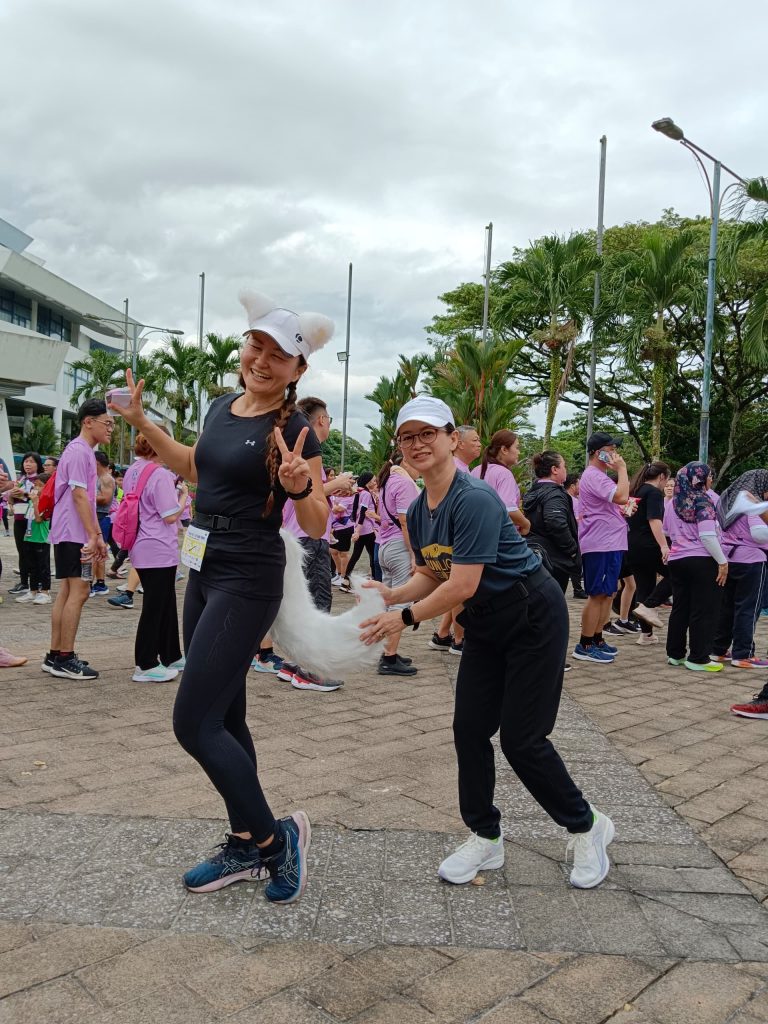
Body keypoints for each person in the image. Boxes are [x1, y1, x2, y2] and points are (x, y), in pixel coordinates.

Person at [109, 288, 333, 903]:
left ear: (298, 368)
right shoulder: (218, 406)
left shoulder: (293, 429)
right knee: (226, 717)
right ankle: (245, 838)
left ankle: (275, 836)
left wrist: (295, 488)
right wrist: (142, 424)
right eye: (255, 345)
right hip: (201, 564)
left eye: (277, 354)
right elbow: (196, 470)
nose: (261, 360)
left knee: (193, 721)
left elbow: (316, 523)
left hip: (247, 572)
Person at [360, 396, 613, 889]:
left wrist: (404, 619)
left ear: (453, 439)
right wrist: (391, 595)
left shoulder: (472, 497)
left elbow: (463, 584)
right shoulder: (417, 507)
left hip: (532, 616)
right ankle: (485, 837)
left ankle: (587, 826)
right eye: (407, 437)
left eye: (427, 433)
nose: (417, 444)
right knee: (469, 729)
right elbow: (430, 573)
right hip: (485, 624)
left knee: (523, 740)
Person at [276, 396, 351, 691]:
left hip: (297, 537)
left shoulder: (296, 453)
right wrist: (339, 482)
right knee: (318, 605)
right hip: (308, 538)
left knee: (301, 605)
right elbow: (307, 493)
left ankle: (294, 664)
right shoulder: (310, 455)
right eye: (329, 419)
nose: (328, 424)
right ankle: (310, 671)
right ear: (321, 420)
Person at [44, 400, 112, 680]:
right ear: (88, 421)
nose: (110, 428)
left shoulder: (84, 452)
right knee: (80, 591)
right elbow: (79, 496)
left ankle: (55, 654)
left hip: (73, 532)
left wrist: (98, 535)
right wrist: (93, 536)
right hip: (73, 533)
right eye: (106, 423)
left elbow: (86, 500)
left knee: (68, 591)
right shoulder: (79, 452)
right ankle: (64, 658)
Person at [121, 430, 188, 682]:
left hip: (141, 543)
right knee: (156, 606)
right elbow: (170, 514)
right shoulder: (159, 474)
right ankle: (146, 663)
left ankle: (171, 655)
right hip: (158, 546)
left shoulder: (133, 471)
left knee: (164, 602)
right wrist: (182, 497)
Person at [665, 462, 728, 672]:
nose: (711, 479)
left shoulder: (673, 502)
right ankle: (699, 657)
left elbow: (667, 529)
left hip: (677, 559)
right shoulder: (703, 500)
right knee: (704, 609)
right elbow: (708, 535)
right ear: (700, 478)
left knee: (680, 607)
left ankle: (675, 654)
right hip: (702, 560)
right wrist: (722, 561)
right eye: (709, 476)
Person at [573, 433, 629, 664]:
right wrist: (623, 469)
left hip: (610, 542)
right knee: (597, 594)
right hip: (600, 543)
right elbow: (622, 496)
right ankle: (585, 643)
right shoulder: (594, 475)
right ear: (598, 452)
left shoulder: (600, 476)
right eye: (611, 448)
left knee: (607, 593)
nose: (616, 453)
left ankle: (597, 638)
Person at [711, 469, 768, 670]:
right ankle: (743, 654)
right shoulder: (752, 503)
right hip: (752, 560)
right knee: (748, 608)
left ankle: (718, 650)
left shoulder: (727, 501)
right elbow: (759, 533)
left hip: (729, 558)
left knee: (726, 606)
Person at [431, 426, 480, 652]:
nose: (479, 444)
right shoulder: (455, 473)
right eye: (475, 440)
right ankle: (459, 640)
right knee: (460, 590)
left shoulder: (464, 471)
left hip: (454, 540)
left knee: (456, 589)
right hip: (456, 541)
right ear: (457, 442)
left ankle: (443, 634)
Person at [373, 451, 420, 675]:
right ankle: (389, 658)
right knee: (401, 602)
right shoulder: (404, 483)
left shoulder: (386, 481)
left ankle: (384, 652)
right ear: (406, 462)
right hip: (400, 547)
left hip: (384, 547)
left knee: (389, 601)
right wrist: (413, 554)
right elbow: (405, 522)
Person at [522, 450, 580, 592]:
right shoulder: (554, 494)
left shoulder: (533, 492)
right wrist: (572, 550)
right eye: (564, 466)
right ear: (554, 469)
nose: (566, 470)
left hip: (535, 554)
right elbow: (555, 522)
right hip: (554, 560)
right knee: (553, 609)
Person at [626, 462, 671, 644]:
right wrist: (664, 546)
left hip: (632, 545)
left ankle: (646, 635)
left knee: (644, 586)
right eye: (666, 479)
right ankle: (650, 606)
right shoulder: (653, 493)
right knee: (677, 575)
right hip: (649, 545)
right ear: (661, 477)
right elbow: (654, 520)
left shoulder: (636, 491)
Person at [470, 430, 530, 537]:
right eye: (517, 447)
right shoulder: (504, 474)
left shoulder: (476, 470)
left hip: (476, 534)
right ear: (504, 449)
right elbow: (508, 509)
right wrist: (526, 524)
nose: (519, 452)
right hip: (500, 537)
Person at [7, 452, 43, 597]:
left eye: (31, 461)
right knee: (22, 552)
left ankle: (37, 582)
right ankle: (23, 582)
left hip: (33, 521)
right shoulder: (20, 479)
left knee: (34, 552)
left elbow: (39, 497)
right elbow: (10, 499)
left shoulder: (40, 480)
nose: (27, 464)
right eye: (25, 461)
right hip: (19, 518)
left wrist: (24, 494)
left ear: (37, 464)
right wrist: (11, 495)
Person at [17, 472, 52, 605]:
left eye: (39, 486)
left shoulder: (45, 502)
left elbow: (38, 519)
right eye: (34, 486)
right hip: (30, 537)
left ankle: (45, 591)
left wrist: (36, 502)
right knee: (32, 566)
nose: (35, 489)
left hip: (41, 539)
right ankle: (32, 591)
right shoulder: (33, 501)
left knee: (43, 566)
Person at [339, 472, 378, 592]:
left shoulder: (360, 492)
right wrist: (357, 530)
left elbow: (356, 511)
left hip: (361, 529)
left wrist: (357, 529)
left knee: (356, 555)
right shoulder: (365, 493)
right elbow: (362, 513)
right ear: (368, 481)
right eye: (373, 480)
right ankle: (375, 580)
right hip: (367, 529)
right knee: (373, 555)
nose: (374, 482)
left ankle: (345, 580)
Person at [91, 452, 116, 596]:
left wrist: (86, 497)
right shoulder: (97, 478)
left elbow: (105, 499)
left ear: (96, 462)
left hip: (101, 517)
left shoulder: (106, 478)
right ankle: (100, 584)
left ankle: (89, 584)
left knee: (94, 552)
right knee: (98, 553)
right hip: (97, 517)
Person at [565, 472, 587, 598]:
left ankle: (577, 589)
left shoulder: (563, 498)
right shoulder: (574, 501)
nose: (581, 487)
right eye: (579, 484)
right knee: (576, 563)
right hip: (574, 534)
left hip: (567, 533)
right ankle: (578, 589)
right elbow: (578, 519)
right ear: (573, 486)